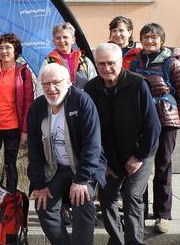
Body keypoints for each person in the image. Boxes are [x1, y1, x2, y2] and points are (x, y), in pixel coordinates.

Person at [84, 42, 161, 245]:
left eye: (111, 63)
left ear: (121, 62)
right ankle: (118, 240)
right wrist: (102, 164)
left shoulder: (138, 84)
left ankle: (134, 242)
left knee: (132, 197)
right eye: (101, 64)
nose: (106, 68)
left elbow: (153, 127)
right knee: (107, 198)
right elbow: (90, 131)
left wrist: (138, 158)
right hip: (109, 157)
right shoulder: (90, 89)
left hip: (140, 151)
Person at [27, 63, 106, 245]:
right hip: (56, 167)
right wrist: (39, 184)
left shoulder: (81, 101)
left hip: (83, 165)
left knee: (82, 201)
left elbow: (92, 144)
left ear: (69, 82)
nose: (51, 88)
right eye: (46, 84)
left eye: (56, 82)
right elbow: (34, 149)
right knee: (43, 205)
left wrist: (81, 180)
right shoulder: (37, 108)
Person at [129, 23, 180, 233]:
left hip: (166, 120)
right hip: (142, 121)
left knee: (163, 166)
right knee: (141, 165)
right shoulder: (135, 63)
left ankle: (163, 215)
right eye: (146, 37)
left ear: (161, 40)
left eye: (154, 37)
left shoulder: (172, 63)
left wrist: (178, 120)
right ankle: (140, 210)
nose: (150, 41)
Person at [0, 33, 33, 189]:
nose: (4, 51)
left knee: (10, 165)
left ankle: (10, 204)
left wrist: (25, 130)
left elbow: (28, 103)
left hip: (13, 127)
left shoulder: (24, 72)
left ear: (15, 50)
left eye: (8, 47)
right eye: (0, 47)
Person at [37, 22, 96, 96]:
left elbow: (94, 84)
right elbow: (41, 86)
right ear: (53, 41)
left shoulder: (84, 61)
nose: (62, 41)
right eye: (58, 38)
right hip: (58, 104)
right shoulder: (48, 62)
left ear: (73, 40)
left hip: (83, 104)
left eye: (65, 37)